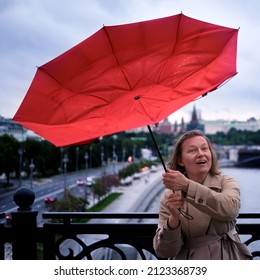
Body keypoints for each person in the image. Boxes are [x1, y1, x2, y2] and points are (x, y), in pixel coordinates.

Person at [153, 130, 252, 260]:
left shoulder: (226, 182)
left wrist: (187, 186)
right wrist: (173, 220)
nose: (200, 154)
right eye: (192, 150)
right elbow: (164, 252)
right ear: (180, 160)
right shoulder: (170, 196)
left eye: (205, 149)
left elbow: (230, 209)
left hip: (227, 256)